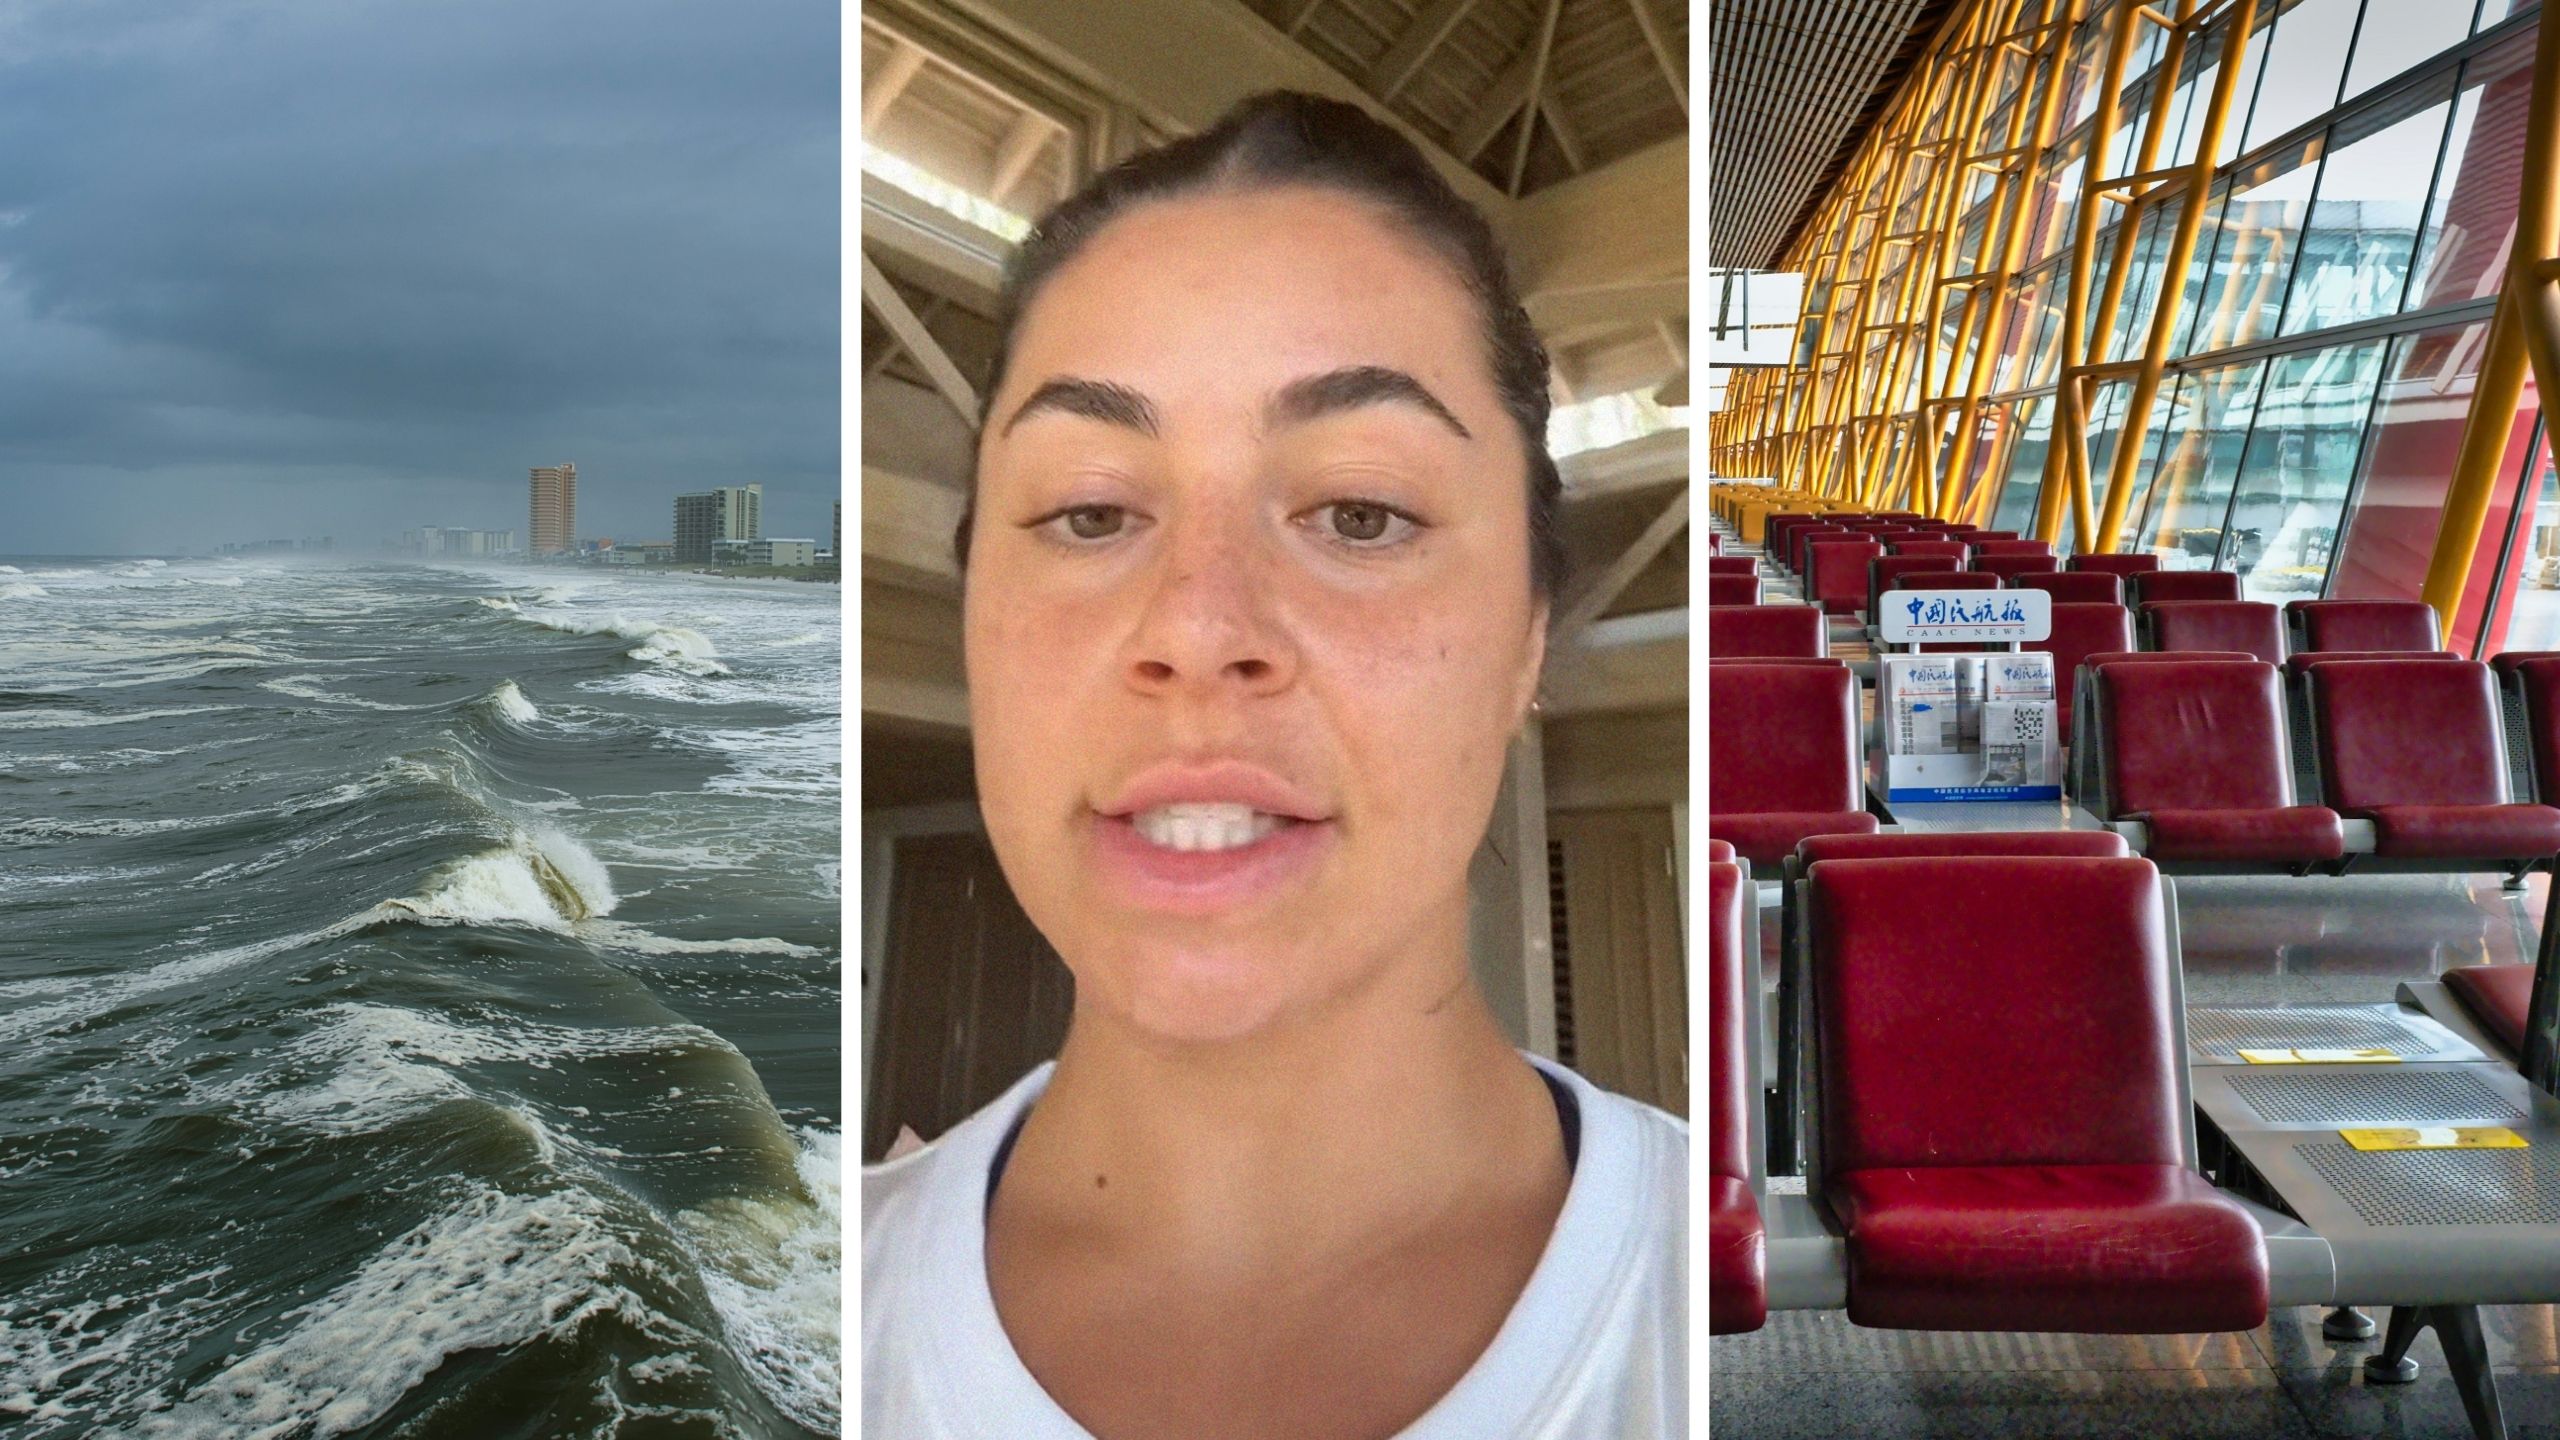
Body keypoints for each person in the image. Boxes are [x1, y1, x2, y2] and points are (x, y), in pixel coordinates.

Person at [862, 89, 1686, 1440]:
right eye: (1088, 512)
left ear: (1529, 639)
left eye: (1360, 512)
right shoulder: (793, 1325)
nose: (1197, 628)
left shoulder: (1695, 1310)